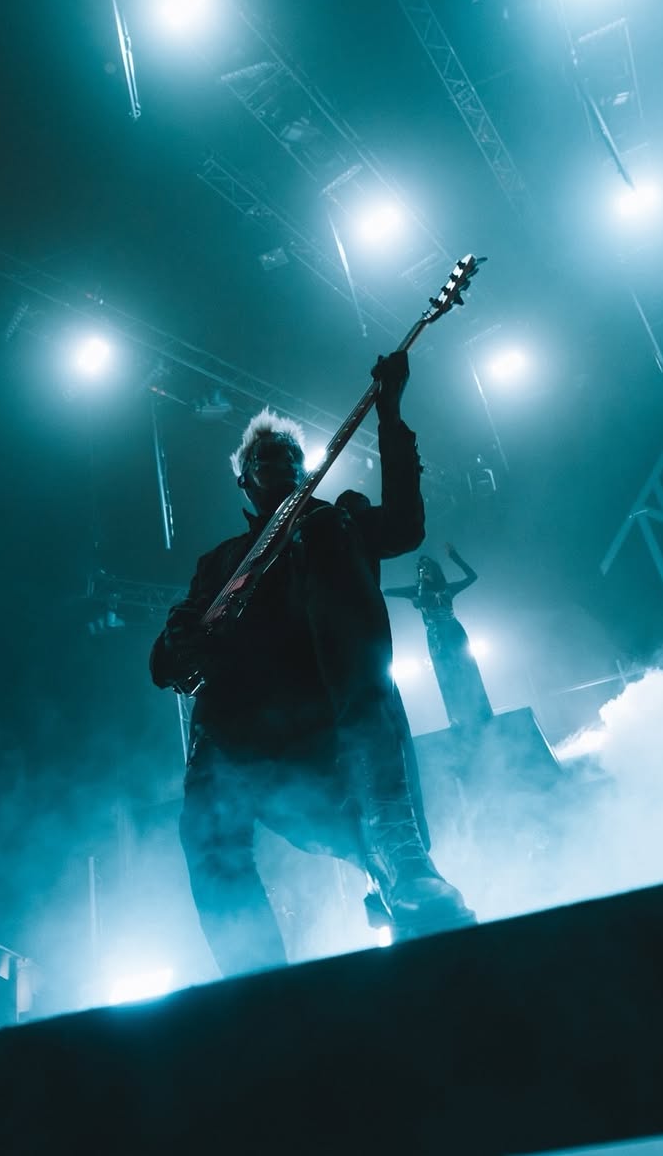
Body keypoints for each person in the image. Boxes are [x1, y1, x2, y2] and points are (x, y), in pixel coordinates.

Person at [149, 352, 474, 978]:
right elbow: (166, 668)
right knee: (207, 833)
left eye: (288, 457)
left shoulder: (338, 522)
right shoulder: (218, 564)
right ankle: (254, 976)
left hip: (333, 719)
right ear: (243, 481)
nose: (277, 465)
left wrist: (390, 416)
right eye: (262, 460)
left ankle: (403, 867)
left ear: (306, 469)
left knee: (373, 834)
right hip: (246, 736)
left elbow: (405, 528)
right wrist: (176, 639)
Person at [384, 545, 493, 730]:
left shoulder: (447, 588)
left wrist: (455, 556)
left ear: (435, 569)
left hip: (455, 633)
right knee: (446, 675)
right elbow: (388, 592)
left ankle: (482, 712)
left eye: (427, 567)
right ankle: (457, 718)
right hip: (437, 638)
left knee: (467, 669)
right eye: (422, 568)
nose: (425, 570)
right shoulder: (416, 590)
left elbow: (472, 577)